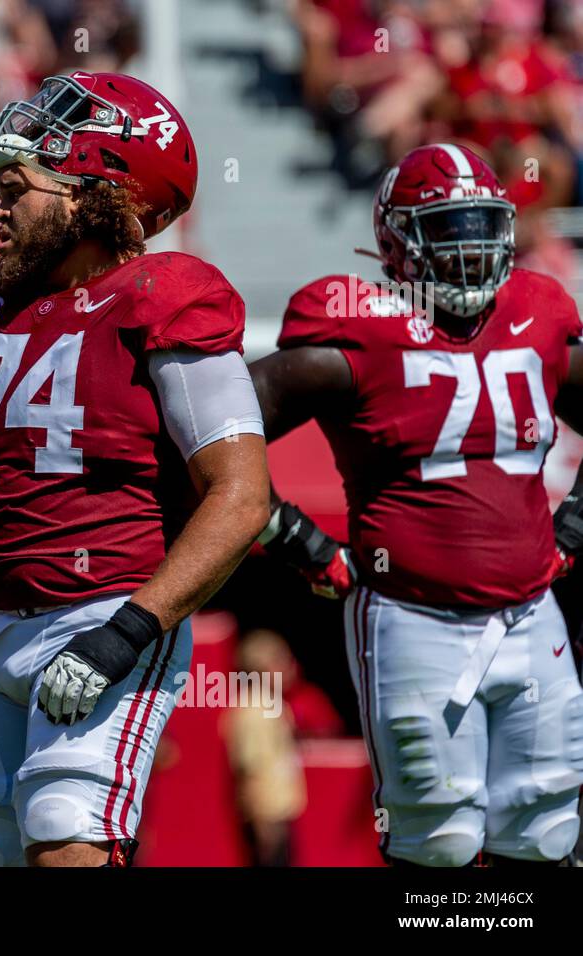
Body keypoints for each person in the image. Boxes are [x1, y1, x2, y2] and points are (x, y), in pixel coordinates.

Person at [0, 71, 271, 867]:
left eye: (17, 189)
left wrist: (125, 633)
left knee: (66, 834)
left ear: (96, 194)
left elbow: (241, 495)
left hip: (102, 607)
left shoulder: (166, 292)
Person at [249, 143, 583, 866]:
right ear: (395, 242)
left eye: (478, 226)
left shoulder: (538, 310)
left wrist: (578, 520)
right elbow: (213, 435)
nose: (467, 249)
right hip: (412, 615)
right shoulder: (357, 324)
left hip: (532, 611)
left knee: (548, 825)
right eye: (446, 229)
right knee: (440, 841)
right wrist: (293, 537)